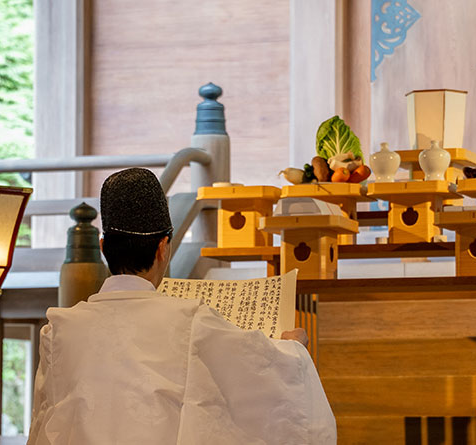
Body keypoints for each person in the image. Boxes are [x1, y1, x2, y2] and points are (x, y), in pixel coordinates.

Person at [27, 168, 336, 444]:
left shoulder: (59, 330)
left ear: (104, 247)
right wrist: (294, 350)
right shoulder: (190, 321)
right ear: (164, 248)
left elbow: (43, 428)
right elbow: (267, 380)